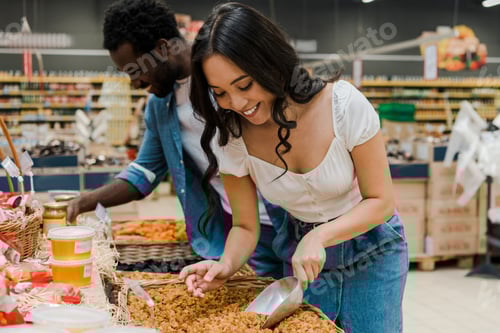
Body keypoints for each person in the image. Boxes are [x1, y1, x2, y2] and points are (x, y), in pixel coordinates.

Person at [179, 2, 409, 332]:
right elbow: (245, 226)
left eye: (244, 85)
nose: (238, 103)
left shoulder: (342, 105)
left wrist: (320, 236)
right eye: (221, 93)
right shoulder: (232, 137)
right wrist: (225, 265)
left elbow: (381, 201)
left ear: (269, 62)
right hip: (302, 260)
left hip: (372, 249)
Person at [66, 0, 284, 279]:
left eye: (136, 71)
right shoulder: (160, 107)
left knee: (314, 313)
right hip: (237, 231)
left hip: (290, 221)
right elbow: (144, 173)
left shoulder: (224, 80)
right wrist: (83, 201)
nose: (135, 84)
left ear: (162, 49)